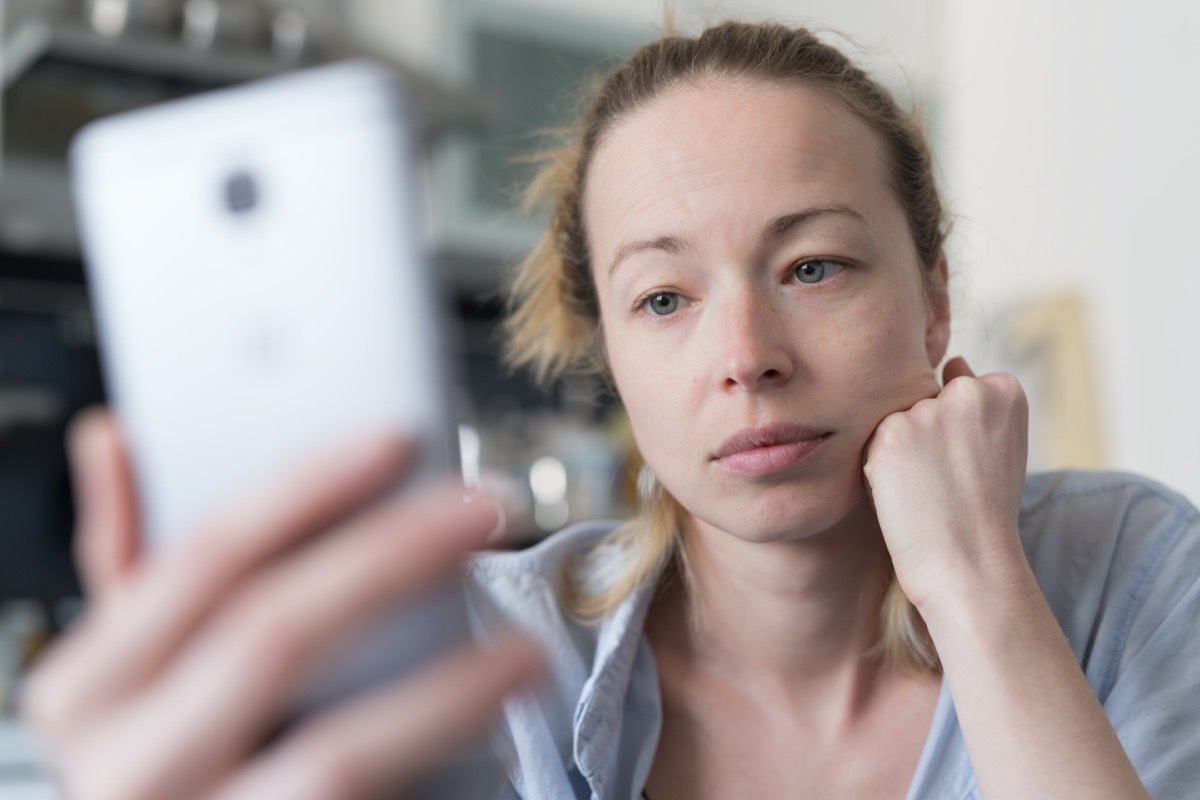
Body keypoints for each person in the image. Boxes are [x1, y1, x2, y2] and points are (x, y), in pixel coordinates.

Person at [23, 18, 1200, 800]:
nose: (745, 357)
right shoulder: (490, 649)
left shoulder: (1135, 573)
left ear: (934, 301)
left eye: (813, 268)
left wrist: (978, 585)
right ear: (612, 358)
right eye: (665, 296)